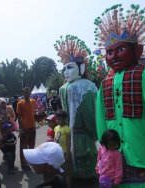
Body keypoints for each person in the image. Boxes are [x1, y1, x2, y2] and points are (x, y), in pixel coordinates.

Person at [94, 4, 145, 187]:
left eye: (120, 49)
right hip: (114, 166)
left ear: (137, 51)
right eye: (109, 52)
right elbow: (101, 120)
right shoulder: (105, 83)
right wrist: (105, 152)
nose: (114, 55)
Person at [55, 34, 98, 178]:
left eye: (70, 67)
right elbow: (91, 117)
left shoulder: (82, 87)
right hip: (82, 134)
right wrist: (95, 133)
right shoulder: (87, 86)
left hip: (72, 134)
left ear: (82, 68)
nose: (66, 72)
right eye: (64, 68)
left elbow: (89, 113)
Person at [16, 87, 37, 170]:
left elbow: (33, 114)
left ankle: (31, 160)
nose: (27, 94)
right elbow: (18, 117)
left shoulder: (33, 101)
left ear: (30, 93)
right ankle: (24, 164)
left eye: (28, 92)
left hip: (32, 127)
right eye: (25, 93)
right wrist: (21, 128)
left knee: (32, 145)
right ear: (23, 94)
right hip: (24, 128)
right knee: (23, 147)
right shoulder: (20, 103)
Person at [54, 110, 71, 187]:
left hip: (64, 152)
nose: (57, 120)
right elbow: (55, 140)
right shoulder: (56, 128)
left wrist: (67, 153)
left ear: (64, 119)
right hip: (57, 153)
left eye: (59, 119)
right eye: (56, 119)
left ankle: (68, 185)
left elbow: (68, 142)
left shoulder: (66, 128)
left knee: (67, 171)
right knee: (59, 170)